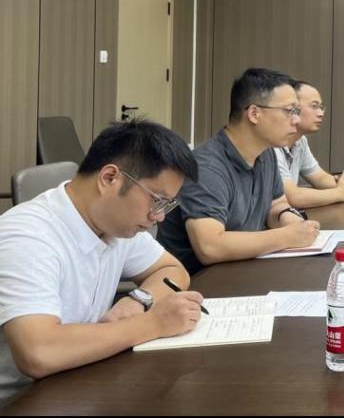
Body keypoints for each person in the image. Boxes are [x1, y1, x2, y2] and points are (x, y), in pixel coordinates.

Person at [0, 121, 205, 405]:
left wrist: (139, 300)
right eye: (157, 200)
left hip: (79, 382)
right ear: (109, 178)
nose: (158, 216)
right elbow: (39, 352)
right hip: (21, 400)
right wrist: (154, 323)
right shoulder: (28, 236)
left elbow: (172, 271)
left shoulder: (114, 224)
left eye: (166, 205)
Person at [157, 68, 320, 274]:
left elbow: (276, 205)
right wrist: (287, 236)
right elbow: (210, 247)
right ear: (254, 114)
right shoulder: (206, 167)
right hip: (197, 282)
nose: (296, 120)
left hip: (241, 270)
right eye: (289, 111)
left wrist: (290, 220)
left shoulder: (266, 154)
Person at [276, 80, 344, 208]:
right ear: (293, 108)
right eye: (314, 106)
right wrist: (340, 193)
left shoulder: (300, 141)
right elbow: (292, 196)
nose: (321, 113)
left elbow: (319, 178)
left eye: (321, 107)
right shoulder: (272, 145)